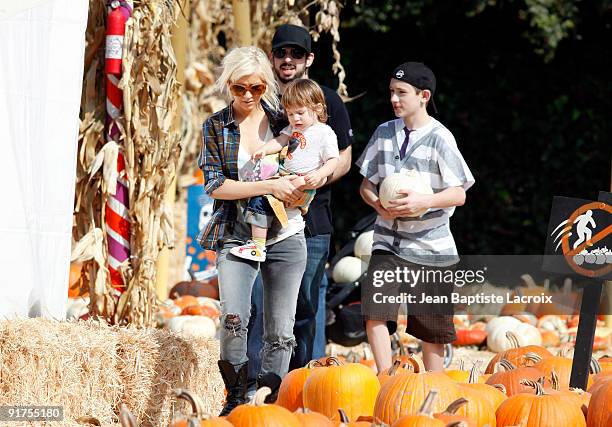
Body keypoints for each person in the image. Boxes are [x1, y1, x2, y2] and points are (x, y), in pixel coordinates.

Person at [198, 46, 314, 415]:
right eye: (239, 88)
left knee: (280, 332)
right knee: (234, 319)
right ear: (227, 85)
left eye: (257, 88)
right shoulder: (216, 126)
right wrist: (268, 186)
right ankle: (234, 401)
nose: (248, 96)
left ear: (267, 86)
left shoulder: (286, 122)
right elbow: (216, 186)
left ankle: (268, 405)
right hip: (235, 233)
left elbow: (315, 165)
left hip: (286, 232)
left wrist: (302, 187)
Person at [245, 25, 354, 381]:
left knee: (306, 305)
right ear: (272, 56)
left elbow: (344, 157)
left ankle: (309, 383)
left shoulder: (325, 99)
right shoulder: (256, 97)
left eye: (295, 53)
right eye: (281, 53)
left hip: (311, 219)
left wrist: (318, 178)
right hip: (265, 219)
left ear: (309, 59)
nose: (287, 59)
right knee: (260, 306)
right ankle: (260, 388)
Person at [356, 62, 475, 373]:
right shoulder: (383, 133)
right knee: (375, 312)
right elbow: (366, 186)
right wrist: (377, 205)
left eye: (401, 93)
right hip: (387, 243)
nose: (394, 99)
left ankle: (434, 386)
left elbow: (459, 193)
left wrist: (425, 200)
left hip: (431, 248)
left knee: (430, 327)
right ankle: (385, 380)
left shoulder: (440, 138)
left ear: (423, 96)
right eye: (392, 92)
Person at [230, 79, 340, 262]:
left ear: (318, 109)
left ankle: (257, 245)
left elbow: (333, 160)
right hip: (285, 177)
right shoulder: (293, 128)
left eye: (300, 113)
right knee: (261, 195)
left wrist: (320, 174)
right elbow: (280, 141)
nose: (295, 118)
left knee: (266, 195)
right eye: (290, 114)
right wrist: (264, 149)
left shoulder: (324, 132)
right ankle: (258, 243)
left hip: (305, 180)